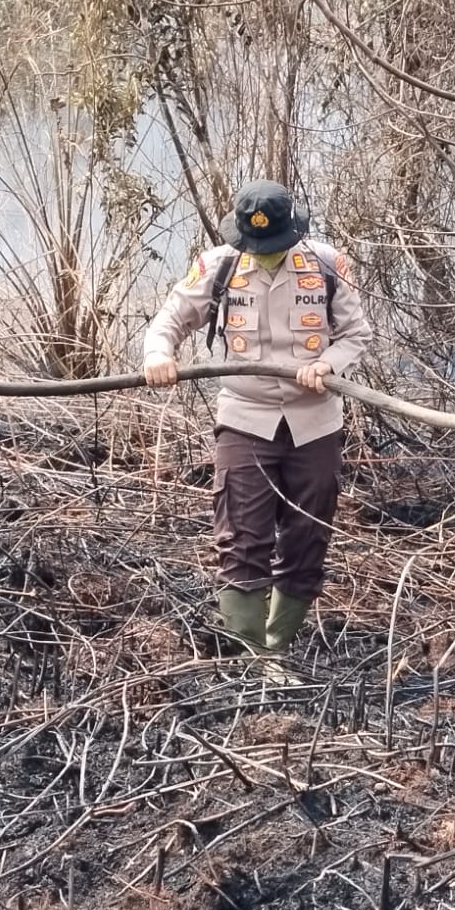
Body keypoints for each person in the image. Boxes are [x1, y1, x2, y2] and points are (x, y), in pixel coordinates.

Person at [144, 180, 372, 666]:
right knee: (242, 535)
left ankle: (278, 649)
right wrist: (159, 355)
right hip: (245, 417)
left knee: (308, 534)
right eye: (257, 246)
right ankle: (249, 659)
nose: (265, 255)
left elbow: (356, 333)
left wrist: (328, 364)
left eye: (275, 247)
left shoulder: (328, 265)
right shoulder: (218, 266)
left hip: (315, 421)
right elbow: (170, 320)